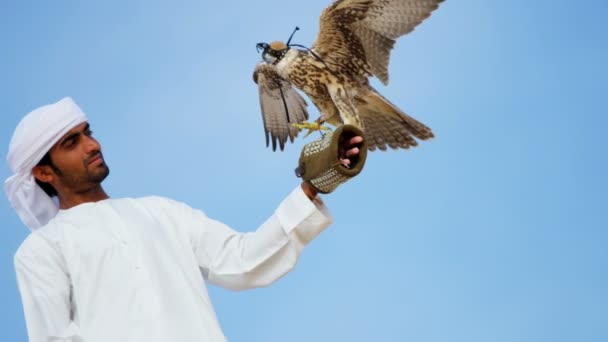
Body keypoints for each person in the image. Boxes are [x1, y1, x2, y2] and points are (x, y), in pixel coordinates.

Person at [5, 97, 365, 342]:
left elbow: (243, 260)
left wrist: (311, 188)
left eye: (88, 132)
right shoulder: (41, 251)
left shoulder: (160, 212)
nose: (91, 145)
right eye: (71, 142)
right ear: (43, 173)